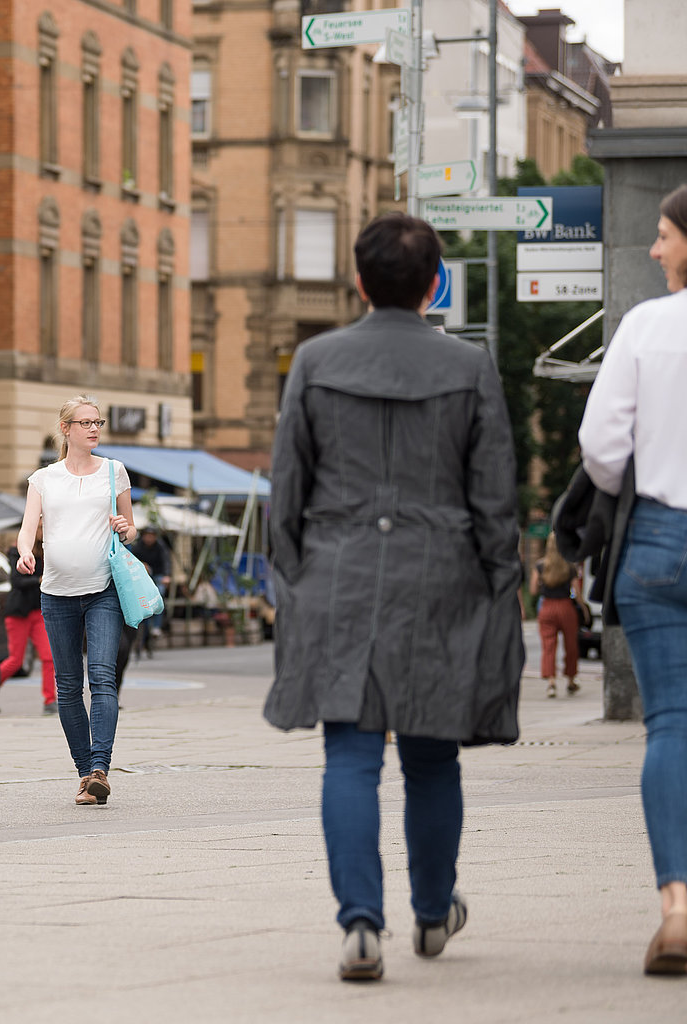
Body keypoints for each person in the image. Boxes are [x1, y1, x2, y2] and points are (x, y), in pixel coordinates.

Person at [264, 212, 523, 982]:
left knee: (348, 756)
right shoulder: (471, 367)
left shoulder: (314, 359)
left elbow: (287, 487)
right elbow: (494, 495)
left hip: (338, 574)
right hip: (440, 575)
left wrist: (293, 576)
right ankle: (435, 909)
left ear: (358, 279)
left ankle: (361, 925)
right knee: (433, 757)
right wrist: (497, 580)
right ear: (435, 282)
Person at [577, 183, 687, 976]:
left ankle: (678, 908)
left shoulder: (648, 326)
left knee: (671, 726)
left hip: (658, 533)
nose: (654, 249)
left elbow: (600, 444)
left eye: (664, 234)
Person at [16, 396, 135, 807]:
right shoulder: (43, 479)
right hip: (56, 593)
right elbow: (28, 527)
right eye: (84, 423)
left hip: (103, 590)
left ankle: (101, 767)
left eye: (97, 422)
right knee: (67, 687)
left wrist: (125, 527)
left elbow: (131, 528)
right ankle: (84, 773)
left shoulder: (114, 473)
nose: (93, 429)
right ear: (65, 429)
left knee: (102, 676)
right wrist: (24, 551)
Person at [0, 541, 55, 715]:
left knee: (48, 657)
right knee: (16, 661)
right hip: (18, 612)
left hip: (38, 611)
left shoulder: (48, 549)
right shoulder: (16, 551)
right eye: (39, 527)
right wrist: (38, 580)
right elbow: (16, 581)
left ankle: (50, 701)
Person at [531, 533, 581, 699]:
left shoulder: (540, 566)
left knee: (548, 645)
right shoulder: (570, 566)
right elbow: (577, 592)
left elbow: (532, 590)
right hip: (565, 606)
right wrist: (583, 608)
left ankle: (551, 682)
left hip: (547, 607)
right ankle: (571, 679)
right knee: (571, 645)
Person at [128, 526, 172, 656]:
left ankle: (157, 627)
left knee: (159, 595)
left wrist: (166, 576)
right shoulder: (137, 547)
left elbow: (167, 562)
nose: (149, 538)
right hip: (142, 576)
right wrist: (141, 565)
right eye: (147, 535)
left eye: (152, 536)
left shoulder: (160, 547)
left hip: (158, 576)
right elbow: (131, 559)